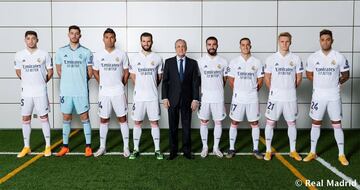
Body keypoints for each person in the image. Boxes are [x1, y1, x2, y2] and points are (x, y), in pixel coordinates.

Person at [303, 29, 350, 166]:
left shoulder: (339, 57)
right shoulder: (313, 57)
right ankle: (312, 152)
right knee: (315, 123)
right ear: (320, 41)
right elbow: (309, 74)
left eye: (328, 39)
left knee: (337, 124)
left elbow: (346, 75)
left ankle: (341, 154)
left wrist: (337, 82)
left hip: (333, 96)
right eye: (322, 39)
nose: (325, 42)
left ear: (332, 40)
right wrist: (319, 84)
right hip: (318, 96)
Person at [263, 32, 303, 161]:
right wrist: (275, 90)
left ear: (290, 42)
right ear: (278, 42)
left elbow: (298, 78)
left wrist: (289, 89)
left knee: (291, 123)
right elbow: (267, 78)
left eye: (287, 42)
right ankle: (268, 150)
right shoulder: (271, 59)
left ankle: (293, 150)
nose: (284, 44)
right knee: (270, 123)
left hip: (290, 97)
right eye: (282, 41)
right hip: (275, 98)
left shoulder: (296, 59)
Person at [55, 25, 94, 157]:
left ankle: (88, 147)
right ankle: (65, 146)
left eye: (76, 33)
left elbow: (90, 73)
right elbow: (59, 71)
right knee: (66, 117)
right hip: (66, 91)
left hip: (81, 91)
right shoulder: (60, 51)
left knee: (85, 117)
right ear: (68, 35)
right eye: (72, 33)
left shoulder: (86, 52)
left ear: (80, 35)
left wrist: (80, 81)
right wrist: (69, 80)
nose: (74, 35)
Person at [15, 31, 53, 158]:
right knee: (25, 118)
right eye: (28, 38)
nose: (30, 41)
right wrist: (27, 82)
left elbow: (50, 71)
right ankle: (26, 147)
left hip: (40, 92)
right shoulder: (19, 55)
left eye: (33, 38)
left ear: (37, 40)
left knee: (44, 118)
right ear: (25, 40)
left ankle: (48, 146)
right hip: (26, 93)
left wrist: (42, 82)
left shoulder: (44, 54)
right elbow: (18, 71)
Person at [92, 28, 130, 157]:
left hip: (118, 92)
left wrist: (120, 85)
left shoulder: (122, 54)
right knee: (103, 119)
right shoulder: (98, 54)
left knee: (123, 118)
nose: (109, 39)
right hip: (104, 93)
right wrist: (102, 83)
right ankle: (102, 147)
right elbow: (95, 72)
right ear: (103, 39)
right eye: (107, 37)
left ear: (115, 39)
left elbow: (126, 72)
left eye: (112, 37)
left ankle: (126, 147)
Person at [226, 38, 264, 159]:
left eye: (247, 45)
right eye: (243, 45)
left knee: (254, 122)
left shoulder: (257, 62)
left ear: (250, 46)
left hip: (252, 97)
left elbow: (260, 79)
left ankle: (256, 149)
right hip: (238, 98)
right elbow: (230, 79)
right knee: (234, 122)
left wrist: (252, 90)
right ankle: (231, 148)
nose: (245, 47)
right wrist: (238, 90)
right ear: (240, 47)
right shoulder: (234, 62)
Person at [162, 39, 200, 160]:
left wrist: (195, 99)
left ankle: (187, 151)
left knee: (186, 126)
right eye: (178, 46)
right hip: (172, 99)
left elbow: (195, 83)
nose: (181, 48)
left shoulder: (193, 63)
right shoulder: (168, 62)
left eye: (183, 46)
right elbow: (165, 82)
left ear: (186, 48)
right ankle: (173, 151)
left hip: (187, 100)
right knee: (172, 126)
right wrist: (165, 97)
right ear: (175, 49)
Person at [128, 32, 164, 160]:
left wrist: (151, 86)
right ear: (141, 42)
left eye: (148, 41)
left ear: (152, 42)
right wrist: (141, 86)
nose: (146, 43)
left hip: (152, 97)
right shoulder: (134, 58)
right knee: (137, 122)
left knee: (154, 122)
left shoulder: (158, 58)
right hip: (139, 97)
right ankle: (136, 149)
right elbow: (133, 76)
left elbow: (159, 77)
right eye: (144, 41)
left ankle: (157, 149)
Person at [197, 36, 228, 158]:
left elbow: (224, 80)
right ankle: (205, 147)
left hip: (218, 97)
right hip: (204, 97)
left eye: (214, 44)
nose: (211, 46)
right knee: (204, 121)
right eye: (209, 44)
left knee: (218, 122)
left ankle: (216, 147)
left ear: (217, 45)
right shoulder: (200, 61)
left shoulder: (223, 61)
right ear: (206, 46)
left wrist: (217, 89)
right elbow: (197, 79)